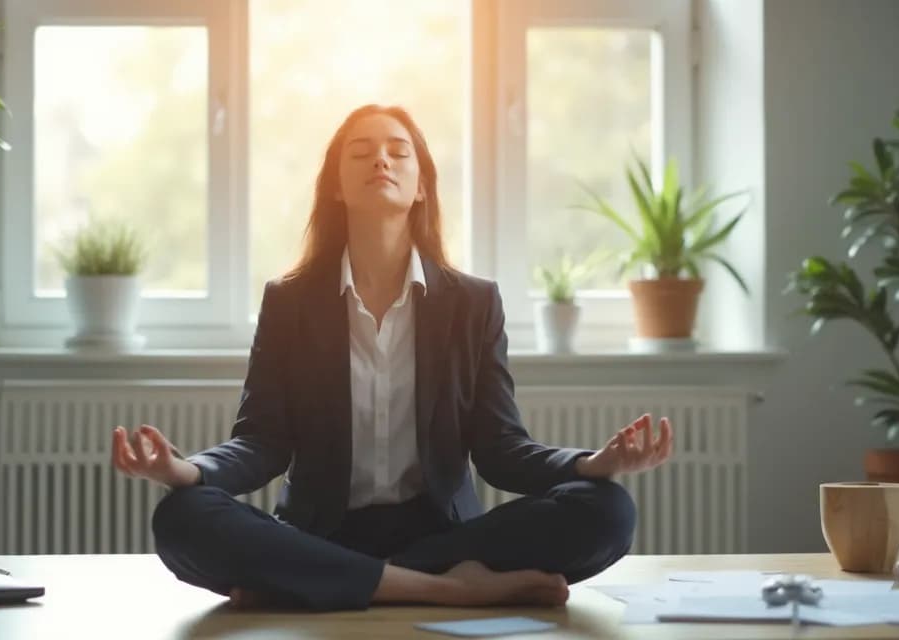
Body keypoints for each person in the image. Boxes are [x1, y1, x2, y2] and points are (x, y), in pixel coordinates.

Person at [111, 104, 674, 612]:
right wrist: (184, 471)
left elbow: (502, 451)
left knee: (607, 510)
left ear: (421, 186)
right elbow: (261, 443)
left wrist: (591, 464)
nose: (381, 159)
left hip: (444, 539)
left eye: (398, 152)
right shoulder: (290, 303)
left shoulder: (474, 304)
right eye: (361, 152)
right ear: (336, 185)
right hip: (319, 533)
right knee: (181, 518)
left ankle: (312, 586)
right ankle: (446, 590)